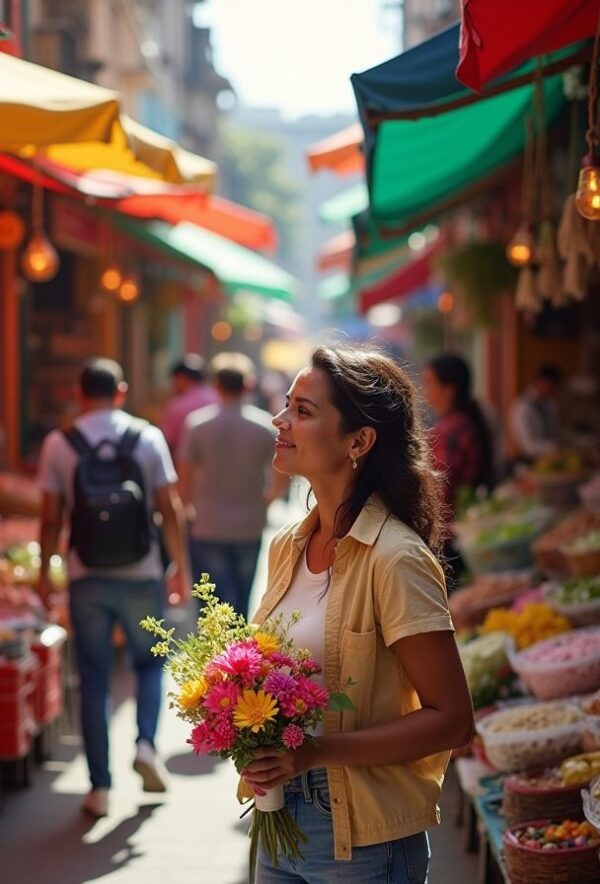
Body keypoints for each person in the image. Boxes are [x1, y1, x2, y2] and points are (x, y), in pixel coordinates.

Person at [241, 344, 474, 883]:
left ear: (359, 441)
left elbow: (453, 719)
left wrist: (316, 753)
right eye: (287, 405)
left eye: (303, 410)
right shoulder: (287, 547)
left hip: (362, 840)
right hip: (278, 815)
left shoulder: (396, 558)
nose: (280, 421)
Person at [37, 358, 191, 820]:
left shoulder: (59, 444)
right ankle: (146, 742)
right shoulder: (147, 437)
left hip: (87, 575)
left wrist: (47, 573)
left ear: (79, 394)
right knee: (149, 663)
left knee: (94, 678)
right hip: (141, 571)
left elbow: (50, 518)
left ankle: (99, 788)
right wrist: (180, 566)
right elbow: (170, 507)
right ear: (121, 391)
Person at [177, 352, 288, 618]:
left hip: (207, 523)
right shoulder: (265, 427)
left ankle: (213, 658)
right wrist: (265, 502)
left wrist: (189, 509)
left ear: (215, 385)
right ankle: (240, 658)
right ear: (248, 385)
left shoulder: (197, 424)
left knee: (211, 604)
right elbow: (282, 477)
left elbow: (184, 479)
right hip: (249, 524)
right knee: (241, 601)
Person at [422, 354, 495, 518]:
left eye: (429, 383)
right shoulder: (465, 421)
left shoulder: (450, 430)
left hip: (448, 526)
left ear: (449, 390)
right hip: (463, 517)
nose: (424, 390)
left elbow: (440, 490)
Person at [161, 353, 219, 455]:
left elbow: (168, 442)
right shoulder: (217, 399)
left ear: (182, 378)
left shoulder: (177, 406)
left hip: (186, 466)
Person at [509, 363, 562, 462]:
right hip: (530, 461)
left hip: (553, 459)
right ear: (541, 382)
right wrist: (553, 447)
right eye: (552, 386)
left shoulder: (550, 404)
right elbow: (527, 446)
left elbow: (556, 432)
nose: (554, 390)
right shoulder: (522, 406)